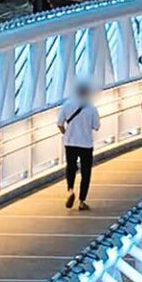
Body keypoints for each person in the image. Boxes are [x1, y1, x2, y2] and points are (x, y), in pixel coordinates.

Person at [57, 81, 99, 211]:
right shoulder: (91, 108)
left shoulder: (67, 104)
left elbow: (59, 124)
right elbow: (96, 126)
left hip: (70, 142)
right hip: (86, 144)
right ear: (87, 93)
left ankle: (70, 190)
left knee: (71, 167)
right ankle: (82, 201)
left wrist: (66, 133)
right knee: (86, 173)